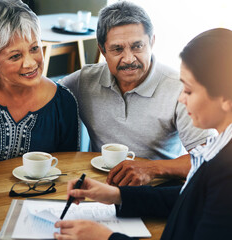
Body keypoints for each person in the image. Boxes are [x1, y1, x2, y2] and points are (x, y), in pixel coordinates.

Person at [54, 28, 232, 240]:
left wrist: (106, 237)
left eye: (189, 90)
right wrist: (117, 195)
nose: (182, 98)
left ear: (226, 98)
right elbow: (194, 198)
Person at [60, 1, 213, 186]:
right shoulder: (84, 81)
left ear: (152, 42)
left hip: (157, 191)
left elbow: (209, 158)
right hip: (100, 187)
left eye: (137, 46)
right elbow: (47, 94)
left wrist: (151, 168)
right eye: (117, 49)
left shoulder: (180, 88)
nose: (129, 59)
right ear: (102, 50)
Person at [0, 0, 79, 173]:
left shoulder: (64, 103)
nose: (29, 63)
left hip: (40, 199)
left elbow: (67, 171)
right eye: (15, 56)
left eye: (35, 48)